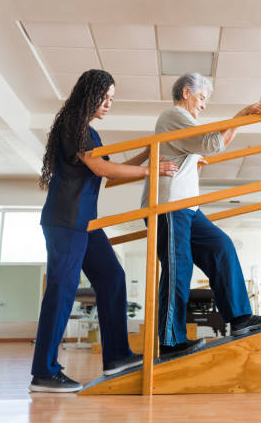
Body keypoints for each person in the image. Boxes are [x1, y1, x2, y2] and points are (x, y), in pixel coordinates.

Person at [30, 69, 178, 392]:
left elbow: (110, 175)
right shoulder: (73, 124)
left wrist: (149, 155)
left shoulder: (91, 134)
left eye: (112, 98)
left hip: (86, 224)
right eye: (105, 97)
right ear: (90, 93)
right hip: (66, 222)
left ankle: (116, 355)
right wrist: (149, 168)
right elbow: (100, 167)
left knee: (112, 276)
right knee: (63, 289)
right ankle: (43, 371)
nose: (109, 103)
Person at [141, 72, 261, 359]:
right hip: (168, 206)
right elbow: (214, 143)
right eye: (201, 98)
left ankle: (239, 318)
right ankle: (170, 341)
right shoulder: (173, 115)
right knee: (180, 270)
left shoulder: (186, 123)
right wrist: (241, 115)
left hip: (189, 208)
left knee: (221, 247)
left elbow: (211, 144)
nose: (203, 105)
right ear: (187, 92)